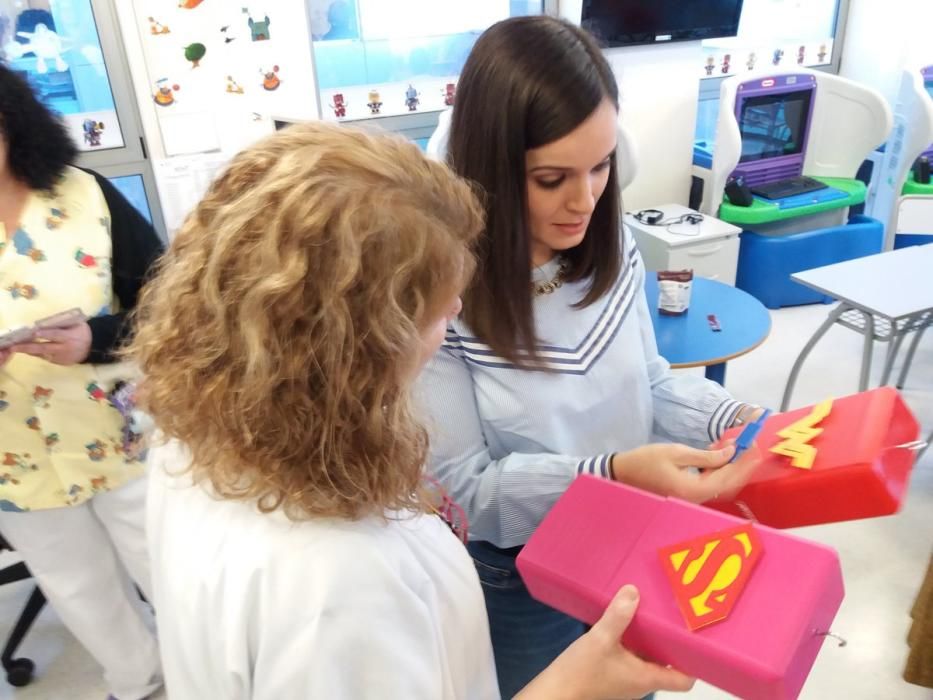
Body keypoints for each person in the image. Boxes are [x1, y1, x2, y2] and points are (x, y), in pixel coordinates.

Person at [133, 121, 698, 700]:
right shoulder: (341, 580)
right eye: (434, 314)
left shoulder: (187, 437)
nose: (456, 310)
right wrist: (573, 687)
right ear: (356, 350)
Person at [418, 16, 763, 698]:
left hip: (633, 533)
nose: (584, 200)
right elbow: (464, 489)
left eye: (600, 165)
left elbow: (648, 381)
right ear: (487, 168)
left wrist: (736, 418)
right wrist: (610, 471)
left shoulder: (606, 244)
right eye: (551, 178)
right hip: (521, 575)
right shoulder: (440, 298)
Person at [0, 64, 162, 699]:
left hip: (120, 434)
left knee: (171, 571)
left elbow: (172, 309)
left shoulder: (86, 196)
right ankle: (138, 680)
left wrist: (95, 338)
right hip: (17, 461)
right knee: (81, 592)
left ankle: (213, 675)